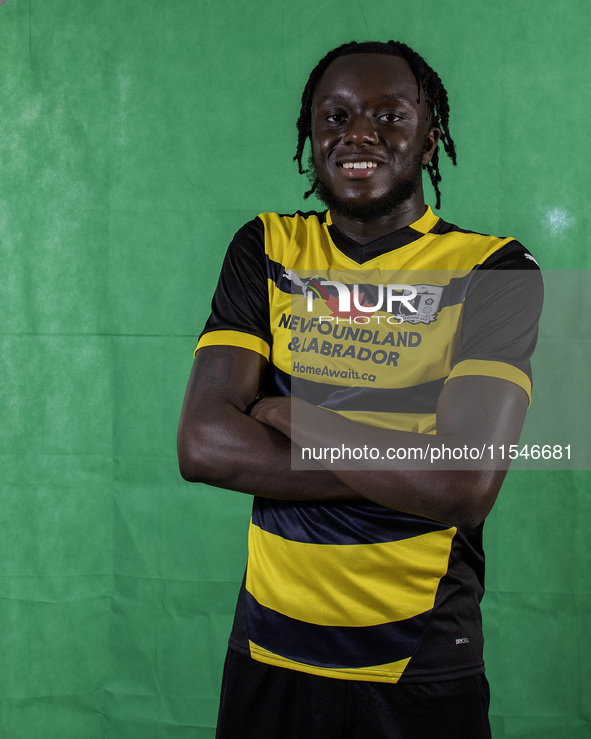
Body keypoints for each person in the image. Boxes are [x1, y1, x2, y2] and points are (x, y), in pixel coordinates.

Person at [177, 40, 542, 739]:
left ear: (429, 138)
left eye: (389, 115)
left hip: (419, 657)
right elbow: (201, 445)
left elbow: (463, 482)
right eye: (334, 115)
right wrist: (409, 465)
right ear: (309, 136)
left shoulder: (492, 268)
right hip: (269, 645)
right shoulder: (268, 246)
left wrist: (283, 410)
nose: (358, 134)